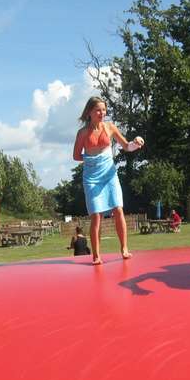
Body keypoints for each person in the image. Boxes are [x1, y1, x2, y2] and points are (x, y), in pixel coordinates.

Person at [72, 96, 145, 264]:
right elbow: (76, 156)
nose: (102, 113)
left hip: (110, 174)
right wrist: (92, 159)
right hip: (92, 178)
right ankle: (96, 255)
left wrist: (136, 143)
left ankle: (124, 248)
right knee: (96, 215)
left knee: (118, 209)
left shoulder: (110, 127)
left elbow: (126, 146)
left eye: (104, 110)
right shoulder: (83, 133)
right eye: (98, 110)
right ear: (89, 112)